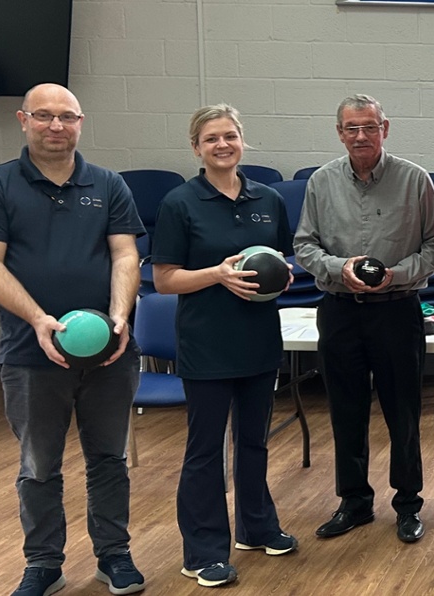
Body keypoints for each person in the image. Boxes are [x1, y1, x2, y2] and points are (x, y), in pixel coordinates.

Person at [0, 83, 147, 596]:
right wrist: (40, 319)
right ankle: (44, 563)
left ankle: (115, 555)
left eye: (67, 117)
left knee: (108, 458)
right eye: (44, 116)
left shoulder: (108, 184)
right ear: (23, 119)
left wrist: (117, 315)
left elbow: (126, 255)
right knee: (39, 465)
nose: (56, 126)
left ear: (81, 122)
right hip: (29, 355)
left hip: (110, 354)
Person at [151, 104, 297, 588]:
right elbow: (165, 279)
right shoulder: (180, 203)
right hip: (207, 343)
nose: (222, 144)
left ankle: (256, 527)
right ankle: (203, 551)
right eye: (211, 138)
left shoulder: (268, 199)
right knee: (205, 450)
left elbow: (277, 258)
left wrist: (282, 274)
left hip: (258, 339)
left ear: (242, 141)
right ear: (196, 147)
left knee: (254, 440)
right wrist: (217, 274)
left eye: (230, 136)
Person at [295, 94, 434, 544]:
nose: (361, 136)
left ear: (385, 128)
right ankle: (354, 502)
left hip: (396, 311)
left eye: (370, 127)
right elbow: (304, 245)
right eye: (351, 128)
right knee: (345, 411)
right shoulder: (321, 182)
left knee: (404, 412)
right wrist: (338, 268)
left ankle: (408, 505)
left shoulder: (414, 180)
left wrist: (395, 275)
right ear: (339, 132)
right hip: (339, 312)